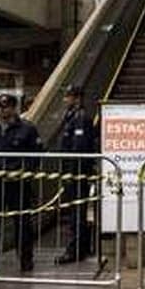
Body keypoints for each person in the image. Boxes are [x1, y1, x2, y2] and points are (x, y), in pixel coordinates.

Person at [0, 94, 43, 273]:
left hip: (17, 183)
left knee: (22, 222)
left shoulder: (27, 128)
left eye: (5, 106)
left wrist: (26, 171)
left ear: (14, 108)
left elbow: (37, 153)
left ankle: (26, 259)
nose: (2, 109)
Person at [55, 85, 98, 265]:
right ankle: (82, 247)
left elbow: (78, 147)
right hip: (74, 171)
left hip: (78, 172)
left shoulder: (81, 118)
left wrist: (71, 172)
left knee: (76, 213)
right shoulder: (71, 117)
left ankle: (75, 250)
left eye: (69, 97)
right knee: (76, 211)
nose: (66, 100)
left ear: (77, 98)